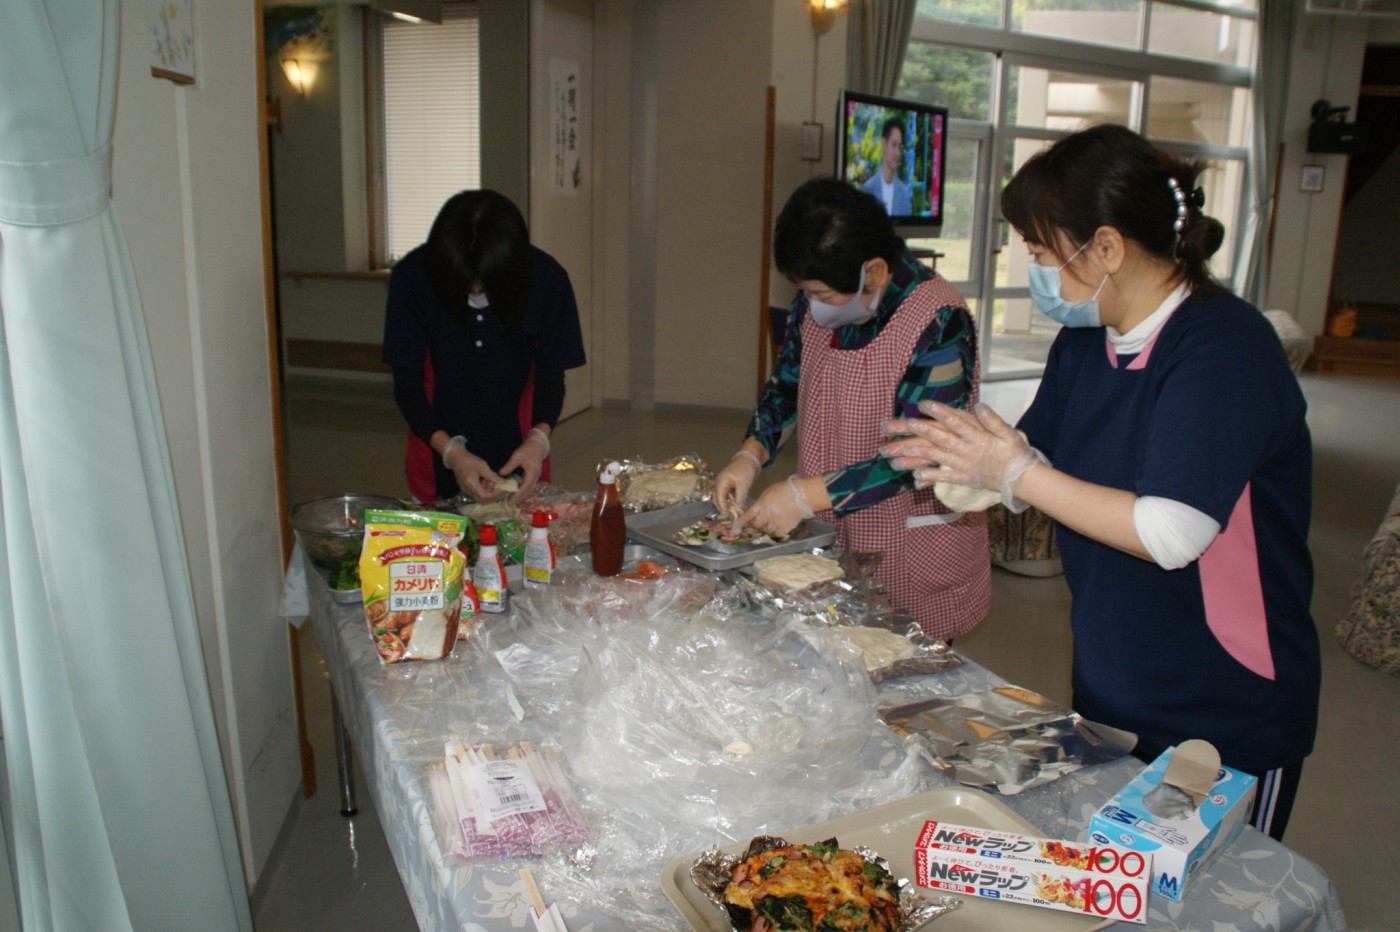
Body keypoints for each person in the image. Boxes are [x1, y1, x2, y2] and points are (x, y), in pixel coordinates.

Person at [882, 125, 1320, 841]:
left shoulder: (1224, 348)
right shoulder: (1085, 345)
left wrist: (1015, 471)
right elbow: (1041, 462)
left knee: (1207, 897)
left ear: (1108, 248)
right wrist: (974, 464)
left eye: (1044, 252)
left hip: (1224, 701)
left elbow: (1170, 532)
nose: (1039, 270)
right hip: (1117, 675)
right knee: (1119, 877)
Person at [714, 177, 989, 641]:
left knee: (901, 672)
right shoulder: (820, 304)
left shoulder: (939, 321)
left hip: (910, 541)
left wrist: (802, 497)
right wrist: (750, 455)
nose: (812, 307)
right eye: (807, 294)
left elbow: (919, 454)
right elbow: (786, 386)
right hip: (832, 526)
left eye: (822, 296)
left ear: (875, 272)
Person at [382, 190, 586, 504]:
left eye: (485, 284)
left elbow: (549, 379)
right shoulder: (413, 277)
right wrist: (452, 454)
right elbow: (407, 385)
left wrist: (538, 441)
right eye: (466, 284)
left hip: (518, 446)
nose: (475, 292)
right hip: (436, 447)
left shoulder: (547, 280)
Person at [861, 117, 912, 216]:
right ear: (884, 143)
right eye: (893, 145)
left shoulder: (904, 194)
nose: (897, 153)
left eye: (900, 147)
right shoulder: (868, 189)